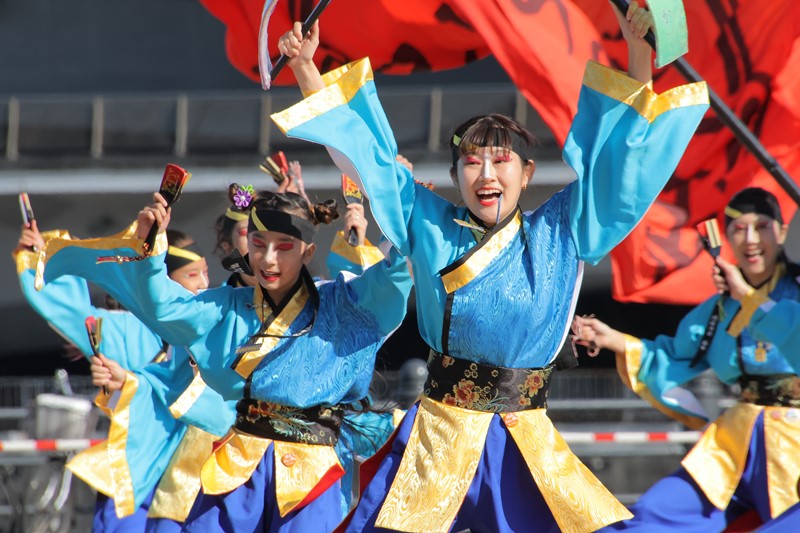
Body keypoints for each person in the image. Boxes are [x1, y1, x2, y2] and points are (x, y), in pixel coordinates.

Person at [273, 1, 709, 531]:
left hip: (524, 439)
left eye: (501, 161)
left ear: (527, 173)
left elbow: (616, 169)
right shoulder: (428, 223)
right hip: (437, 435)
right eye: (471, 162)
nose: (486, 174)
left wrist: (639, 56)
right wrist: (305, 67)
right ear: (455, 175)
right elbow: (369, 159)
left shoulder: (561, 230)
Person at [36, 186, 412, 532]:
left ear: (307, 252)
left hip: (311, 473)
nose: (268, 259)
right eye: (258, 244)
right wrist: (150, 251)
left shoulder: (339, 303)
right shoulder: (226, 307)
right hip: (240, 463)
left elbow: (390, 280)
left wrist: (406, 217)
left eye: (283, 247)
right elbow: (164, 306)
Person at [572, 187, 800, 531]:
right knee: (650, 517)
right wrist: (612, 339)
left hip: (795, 441)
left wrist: (747, 296)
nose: (751, 239)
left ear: (782, 232)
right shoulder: (718, 309)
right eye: (739, 229)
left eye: (762, 226)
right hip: (736, 442)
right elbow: (674, 356)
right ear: (727, 237)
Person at [14, 220, 210, 531]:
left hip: (192, 473)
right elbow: (72, 313)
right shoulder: (123, 328)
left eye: (205, 273)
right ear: (163, 280)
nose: (203, 284)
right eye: (192, 275)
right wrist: (42, 256)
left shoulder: (209, 324)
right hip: (136, 470)